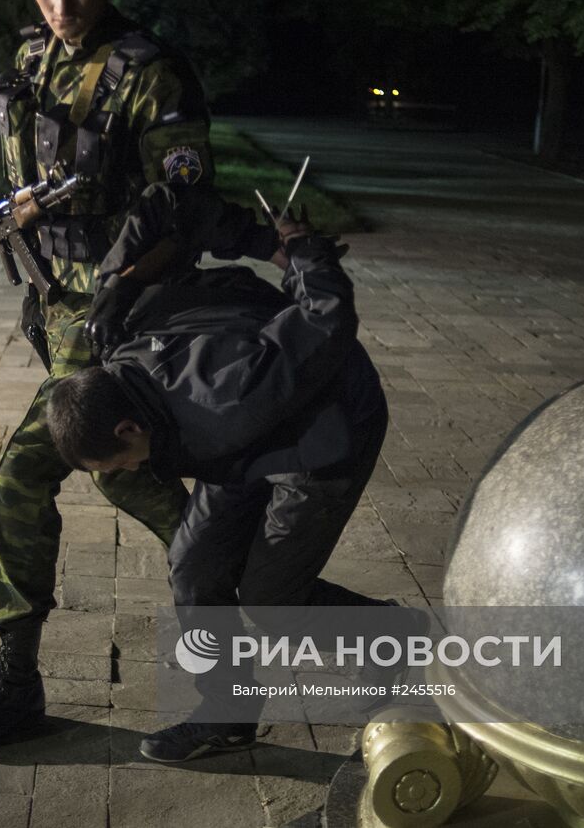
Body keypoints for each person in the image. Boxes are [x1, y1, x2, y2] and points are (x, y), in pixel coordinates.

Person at [0, 0, 278, 750]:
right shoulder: (30, 59)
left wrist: (121, 292)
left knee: (23, 477)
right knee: (147, 494)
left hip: (128, 329)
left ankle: (18, 687)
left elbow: (185, 205)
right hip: (60, 320)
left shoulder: (149, 74)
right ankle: (268, 626)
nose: (61, 4)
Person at [47, 220, 422, 762]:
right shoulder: (118, 340)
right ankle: (228, 716)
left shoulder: (224, 397)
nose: (122, 473)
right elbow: (164, 214)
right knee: (194, 566)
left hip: (329, 428)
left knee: (273, 600)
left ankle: (391, 633)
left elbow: (327, 319)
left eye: (117, 463)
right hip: (246, 436)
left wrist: (304, 256)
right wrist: (123, 280)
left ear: (128, 429)